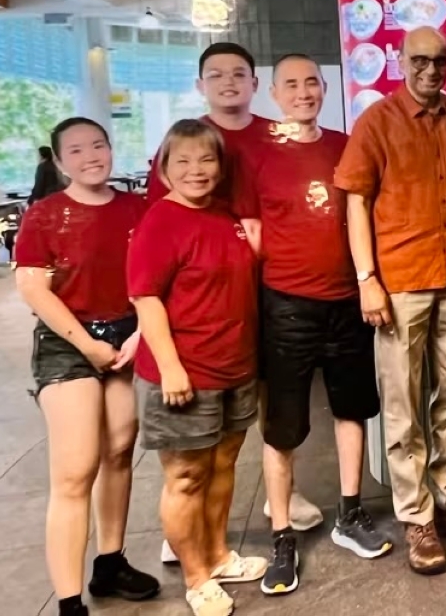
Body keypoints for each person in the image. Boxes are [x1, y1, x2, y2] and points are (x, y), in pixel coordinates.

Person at [335, 25, 446, 576]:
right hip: (400, 280)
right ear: (400, 60)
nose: (430, 71)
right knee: (403, 403)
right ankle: (416, 516)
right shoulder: (376, 121)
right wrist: (367, 278)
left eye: (440, 62)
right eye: (420, 61)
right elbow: (356, 203)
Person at [150, 43, 322, 564]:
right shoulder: (185, 139)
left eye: (239, 74)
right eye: (216, 75)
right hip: (203, 294)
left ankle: (280, 496)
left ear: (255, 84)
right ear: (201, 84)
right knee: (196, 434)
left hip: (271, 287)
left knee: (269, 400)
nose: (228, 83)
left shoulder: (276, 134)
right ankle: (186, 521)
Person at [245, 55, 392, 595]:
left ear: (325, 88)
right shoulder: (259, 155)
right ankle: (281, 533)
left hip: (347, 300)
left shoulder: (344, 143)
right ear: (275, 94)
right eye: (292, 85)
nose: (304, 92)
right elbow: (253, 234)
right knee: (282, 425)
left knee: (351, 409)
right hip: (287, 305)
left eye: (312, 83)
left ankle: (349, 512)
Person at [14, 117, 159, 616]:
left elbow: (155, 275)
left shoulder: (137, 207)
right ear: (58, 161)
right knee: (76, 470)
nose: (90, 155)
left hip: (125, 335)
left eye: (98, 145)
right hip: (66, 343)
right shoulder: (45, 215)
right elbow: (34, 288)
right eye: (75, 150)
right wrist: (87, 344)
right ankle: (70, 601)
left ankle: (110, 563)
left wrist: (141, 333)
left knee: (120, 450)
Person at [128, 120, 267, 616]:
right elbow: (145, 298)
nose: (196, 170)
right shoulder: (160, 221)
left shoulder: (224, 216)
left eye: (206, 159)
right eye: (182, 161)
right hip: (185, 372)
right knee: (186, 475)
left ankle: (218, 555)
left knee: (224, 465)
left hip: (234, 366)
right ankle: (195, 576)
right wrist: (170, 367)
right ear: (164, 168)